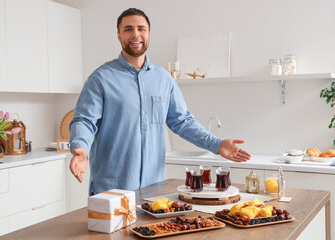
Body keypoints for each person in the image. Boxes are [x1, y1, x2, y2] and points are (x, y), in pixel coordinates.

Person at [69, 8, 251, 195]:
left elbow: (182, 122)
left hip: (152, 193)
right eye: (128, 29)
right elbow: (84, 121)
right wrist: (80, 148)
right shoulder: (100, 79)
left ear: (149, 33)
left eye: (141, 28)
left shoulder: (164, 79)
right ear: (118, 35)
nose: (135, 34)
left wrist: (217, 144)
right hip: (111, 192)